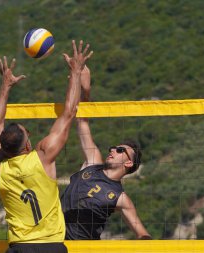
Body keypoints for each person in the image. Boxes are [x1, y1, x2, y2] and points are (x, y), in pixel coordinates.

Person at [0, 40, 93, 253]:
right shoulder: (42, 157)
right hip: (51, 246)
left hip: (20, 247)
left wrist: (5, 86)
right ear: (27, 145)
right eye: (28, 133)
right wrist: (75, 71)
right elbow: (69, 112)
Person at [60, 65, 152, 240]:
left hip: (83, 249)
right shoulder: (93, 163)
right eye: (113, 147)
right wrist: (85, 89)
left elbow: (142, 233)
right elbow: (82, 120)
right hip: (54, 242)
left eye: (120, 150)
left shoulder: (120, 198)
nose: (112, 150)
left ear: (129, 163)